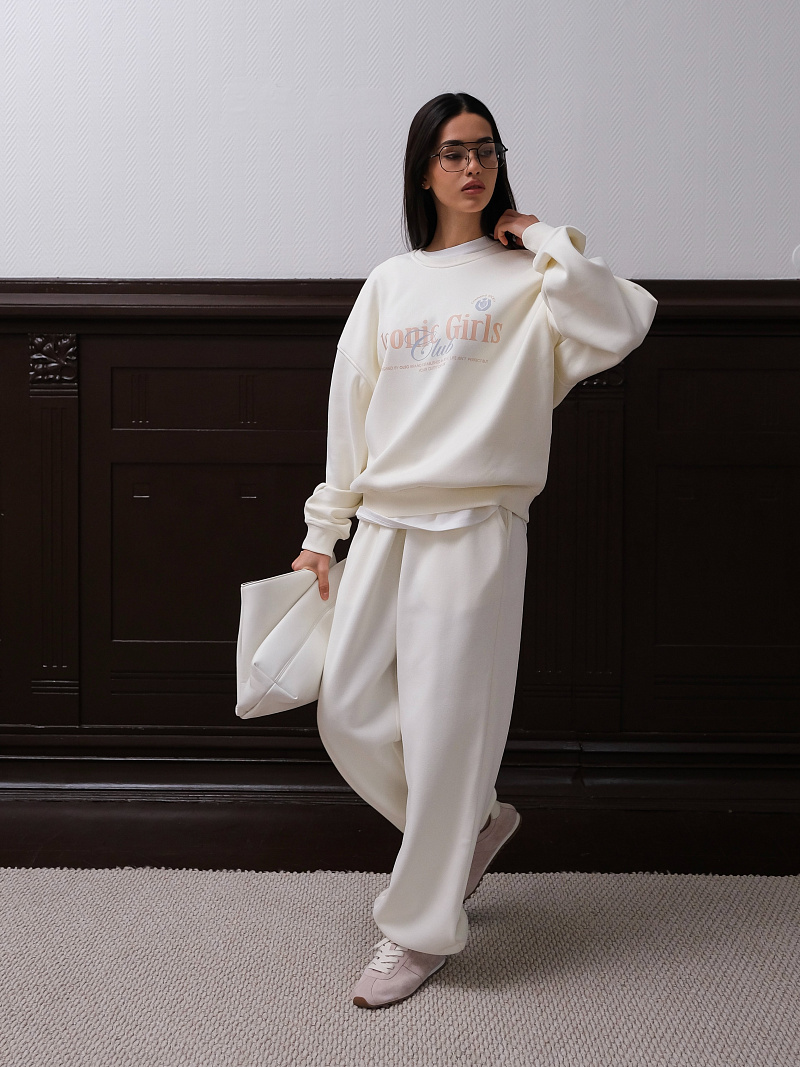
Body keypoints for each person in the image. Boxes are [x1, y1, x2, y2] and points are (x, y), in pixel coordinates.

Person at [290, 91, 658, 1009]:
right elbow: (351, 409)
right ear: (424, 169)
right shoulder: (391, 281)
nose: (473, 167)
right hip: (385, 523)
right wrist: (323, 532)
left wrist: (544, 237)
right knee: (347, 711)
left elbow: (620, 322)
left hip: (478, 526)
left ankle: (418, 927)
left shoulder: (533, 279)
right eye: (454, 153)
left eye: (486, 151)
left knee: (449, 732)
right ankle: (475, 826)